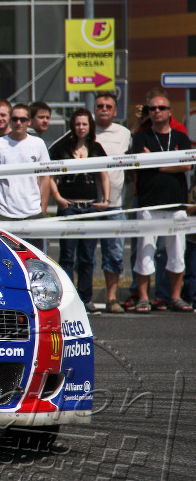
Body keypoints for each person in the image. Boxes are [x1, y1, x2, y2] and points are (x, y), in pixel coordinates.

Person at [130, 91, 192, 313]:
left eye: (161, 108)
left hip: (176, 204)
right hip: (149, 203)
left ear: (169, 112)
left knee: (177, 253)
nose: (157, 111)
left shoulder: (180, 137)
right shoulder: (141, 137)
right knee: (145, 252)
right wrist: (170, 162)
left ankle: (175, 297)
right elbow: (140, 164)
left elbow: (187, 165)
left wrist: (157, 164)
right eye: (152, 108)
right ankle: (143, 298)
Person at [48, 109, 109, 315]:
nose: (81, 128)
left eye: (84, 124)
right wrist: (57, 197)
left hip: (90, 207)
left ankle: (85, 298)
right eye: (77, 124)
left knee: (87, 256)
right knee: (67, 255)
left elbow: (104, 174)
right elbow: (50, 175)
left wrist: (105, 200)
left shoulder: (96, 148)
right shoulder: (62, 147)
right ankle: (67, 297)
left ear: (90, 126)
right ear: (72, 126)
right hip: (69, 207)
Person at [93, 92, 132, 312]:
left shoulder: (124, 134)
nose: (104, 109)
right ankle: (84, 297)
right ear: (94, 109)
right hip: (88, 204)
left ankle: (111, 298)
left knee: (114, 254)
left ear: (115, 111)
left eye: (108, 106)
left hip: (116, 204)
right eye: (100, 105)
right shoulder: (84, 130)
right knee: (85, 255)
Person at [0, 103, 50, 221]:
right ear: (10, 121)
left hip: (33, 212)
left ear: (29, 121)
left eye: (23, 119)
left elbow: (45, 177)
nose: (18, 123)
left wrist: (43, 208)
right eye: (15, 119)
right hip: (4, 213)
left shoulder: (38, 143)